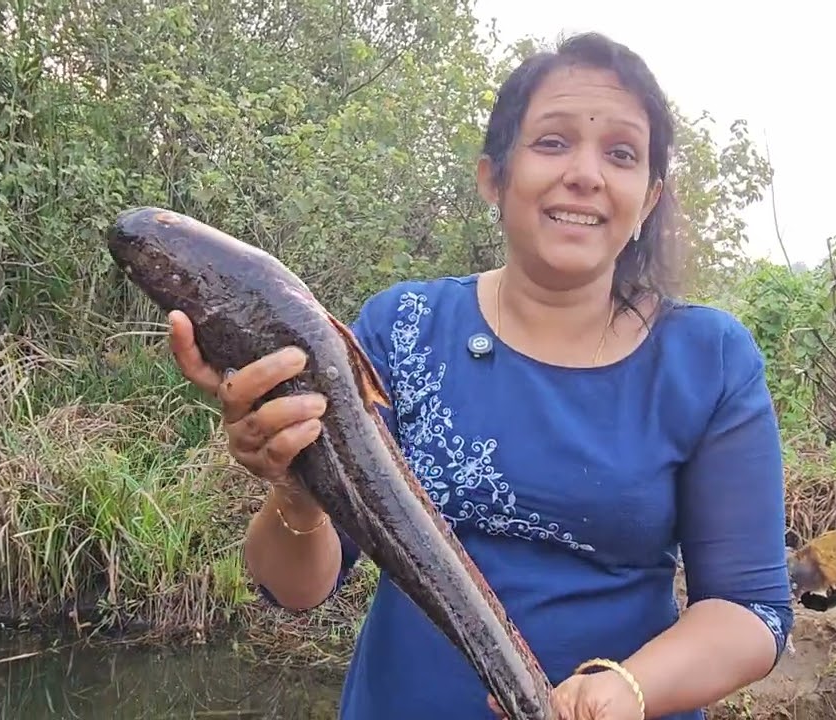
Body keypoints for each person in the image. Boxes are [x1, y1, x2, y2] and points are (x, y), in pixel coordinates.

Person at [167, 31, 792, 720]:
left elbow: (749, 609)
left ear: (647, 200)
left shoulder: (708, 358)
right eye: (552, 142)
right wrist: (296, 489)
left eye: (621, 153)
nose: (586, 173)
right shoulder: (403, 329)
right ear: (493, 177)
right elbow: (298, 589)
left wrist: (626, 689)